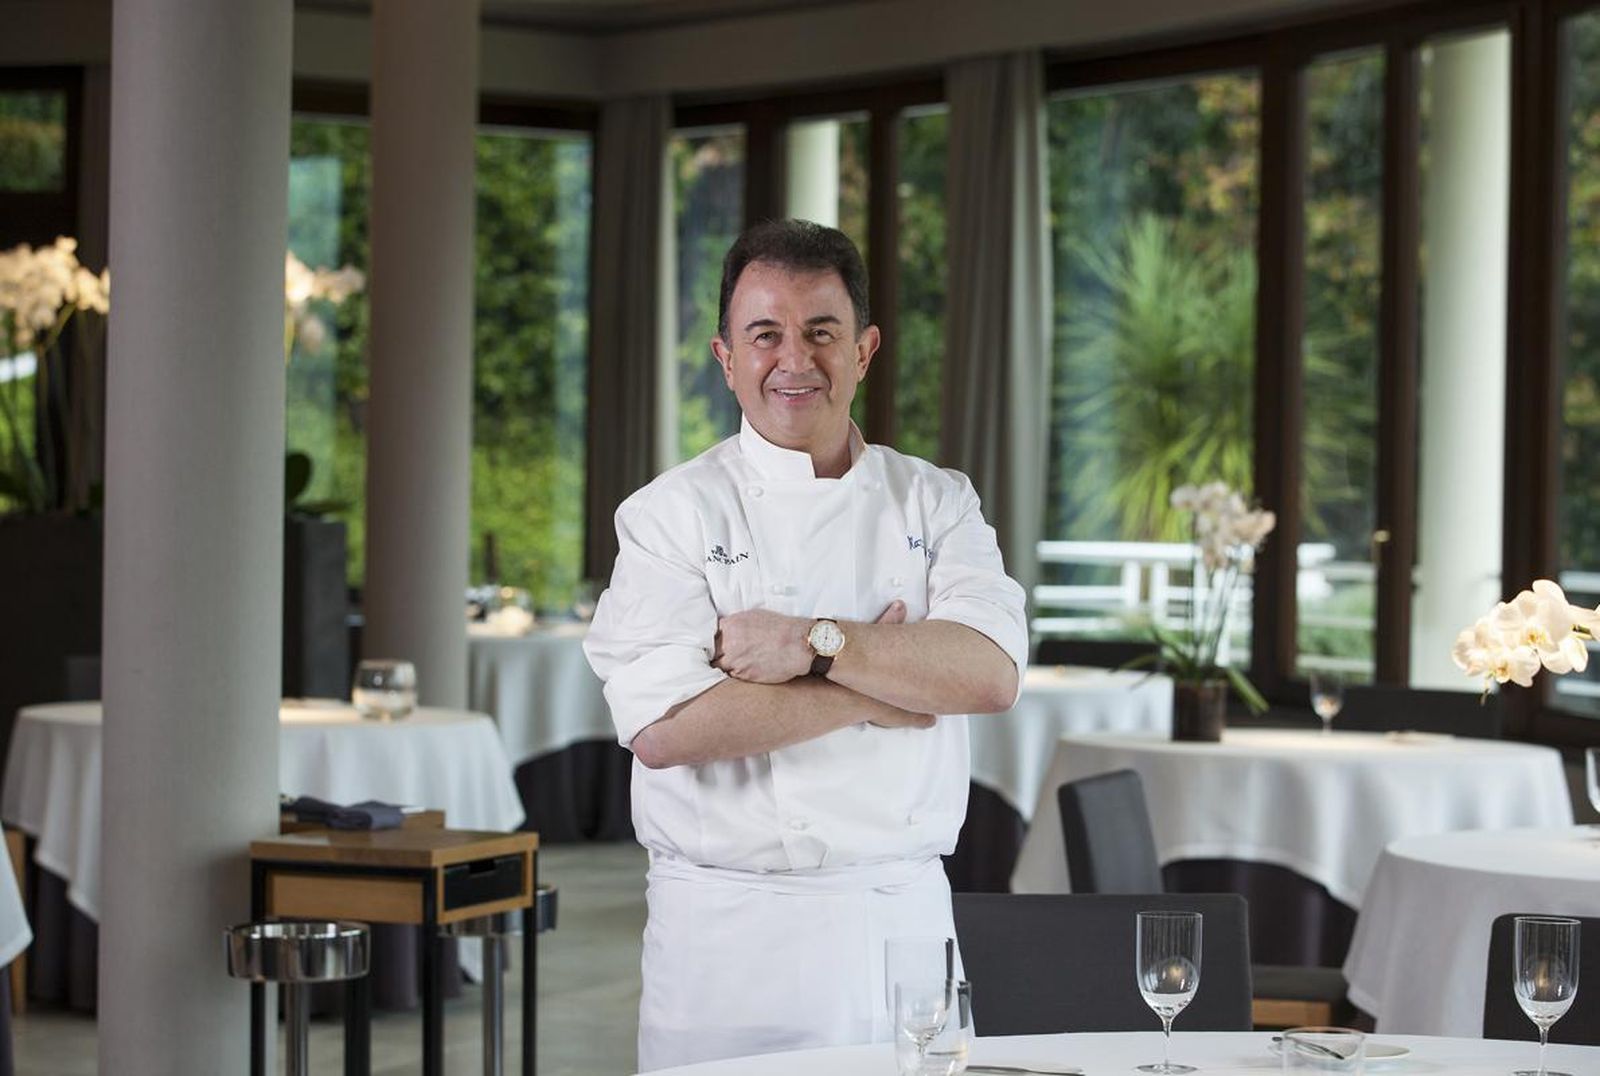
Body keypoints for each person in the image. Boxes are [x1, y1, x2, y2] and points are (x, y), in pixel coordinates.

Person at [583, 218, 1028, 1071]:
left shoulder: (938, 503)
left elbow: (988, 675)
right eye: (766, 335)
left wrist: (807, 644)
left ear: (864, 349)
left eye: (822, 332)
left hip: (898, 920)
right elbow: (667, 729)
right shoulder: (669, 515)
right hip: (723, 942)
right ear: (725, 358)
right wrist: (880, 685)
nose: (795, 359)